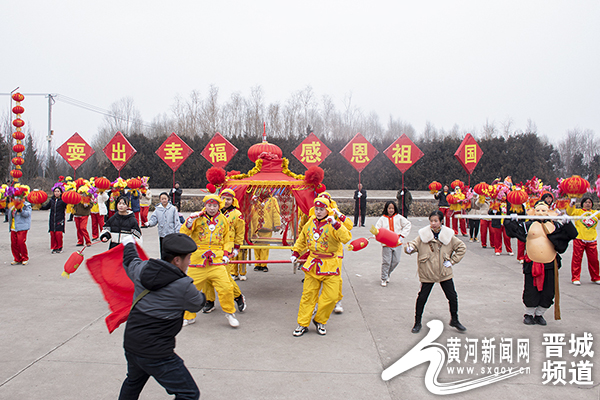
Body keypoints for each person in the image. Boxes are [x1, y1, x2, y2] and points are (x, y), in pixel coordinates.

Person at [118, 233, 204, 400]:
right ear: (177, 260)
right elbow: (198, 303)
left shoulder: (142, 269)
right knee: (189, 394)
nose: (190, 262)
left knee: (133, 382)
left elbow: (130, 260)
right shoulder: (183, 285)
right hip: (156, 351)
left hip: (132, 343)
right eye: (188, 258)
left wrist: (129, 242)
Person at [504, 201, 577, 325]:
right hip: (533, 263)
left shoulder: (556, 226)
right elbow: (512, 232)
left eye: (544, 210)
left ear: (549, 212)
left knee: (549, 291)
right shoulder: (527, 225)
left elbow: (572, 234)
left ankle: (539, 314)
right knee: (531, 290)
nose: (541, 213)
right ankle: (529, 313)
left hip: (550, 263)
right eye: (538, 210)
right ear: (534, 211)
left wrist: (568, 223)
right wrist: (511, 220)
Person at [291, 197, 352, 337]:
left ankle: (320, 320)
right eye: (317, 209)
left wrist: (336, 224)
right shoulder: (310, 223)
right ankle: (302, 323)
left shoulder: (333, 223)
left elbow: (346, 238)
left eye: (322, 209)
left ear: (327, 209)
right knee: (308, 296)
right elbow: (302, 238)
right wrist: (296, 252)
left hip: (331, 265)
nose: (318, 212)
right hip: (313, 264)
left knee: (331, 297)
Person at [180, 195, 240, 328]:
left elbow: (227, 239)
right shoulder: (198, 217)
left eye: (214, 206)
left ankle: (230, 313)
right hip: (198, 261)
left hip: (216, 261)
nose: (212, 208)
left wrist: (226, 254)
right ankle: (188, 316)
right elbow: (184, 232)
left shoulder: (223, 220)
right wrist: (190, 220)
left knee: (226, 287)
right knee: (190, 289)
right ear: (205, 205)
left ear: (219, 206)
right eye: (209, 205)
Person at [405, 210, 467, 334]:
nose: (433, 223)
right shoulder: (423, 235)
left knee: (452, 297)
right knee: (422, 298)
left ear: (441, 221)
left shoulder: (448, 235)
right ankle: (417, 322)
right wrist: (409, 248)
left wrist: (452, 261)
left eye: (436, 221)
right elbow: (413, 244)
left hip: (444, 272)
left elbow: (461, 248)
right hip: (428, 272)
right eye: (431, 221)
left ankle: (454, 319)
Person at [202, 189, 247, 314]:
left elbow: (240, 233)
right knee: (207, 276)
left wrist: (237, 248)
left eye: (228, 199)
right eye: (223, 198)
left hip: (227, 249)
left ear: (233, 200)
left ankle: (238, 296)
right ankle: (209, 301)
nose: (225, 201)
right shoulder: (213, 213)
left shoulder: (237, 214)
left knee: (225, 276)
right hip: (210, 248)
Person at [375, 201, 411, 287]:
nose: (391, 210)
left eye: (392, 208)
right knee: (386, 261)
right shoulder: (382, 219)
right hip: (387, 244)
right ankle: (384, 278)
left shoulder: (399, 217)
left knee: (396, 261)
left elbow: (408, 224)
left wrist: (402, 236)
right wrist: (379, 236)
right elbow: (377, 229)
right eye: (389, 208)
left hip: (397, 243)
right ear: (386, 209)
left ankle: (388, 273)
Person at [566, 196, 600, 285]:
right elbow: (569, 212)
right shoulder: (578, 212)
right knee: (577, 259)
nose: (588, 204)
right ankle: (575, 278)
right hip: (579, 239)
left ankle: (595, 277)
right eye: (586, 202)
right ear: (582, 204)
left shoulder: (595, 213)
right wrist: (572, 203)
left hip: (592, 239)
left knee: (594, 260)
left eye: (589, 202)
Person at [250, 190, 281, 272]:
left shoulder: (272, 200)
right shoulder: (254, 199)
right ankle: (257, 263)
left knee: (265, 246)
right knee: (256, 245)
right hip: (255, 226)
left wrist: (277, 224)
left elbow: (276, 212)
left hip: (267, 226)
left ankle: (264, 264)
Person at [145, 192, 181, 257]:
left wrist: (177, 232)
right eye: (162, 199)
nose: (164, 200)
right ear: (160, 200)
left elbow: (176, 221)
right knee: (163, 251)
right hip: (162, 233)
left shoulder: (172, 209)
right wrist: (149, 223)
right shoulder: (157, 209)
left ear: (168, 199)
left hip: (171, 233)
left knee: (171, 251)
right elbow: (154, 219)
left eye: (165, 198)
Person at [7, 186, 32, 265]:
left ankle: (24, 257)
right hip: (13, 227)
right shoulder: (12, 205)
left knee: (21, 242)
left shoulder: (26, 205)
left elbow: (27, 214)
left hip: (22, 227)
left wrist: (21, 210)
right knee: (14, 244)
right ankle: (17, 258)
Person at [40, 185, 67, 253]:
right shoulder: (52, 200)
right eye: (55, 191)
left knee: (58, 234)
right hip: (52, 219)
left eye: (58, 191)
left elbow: (68, 206)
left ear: (61, 192)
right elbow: (47, 207)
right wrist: (40, 206)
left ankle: (59, 247)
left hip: (60, 219)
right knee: (53, 233)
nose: (56, 193)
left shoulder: (63, 201)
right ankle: (54, 247)